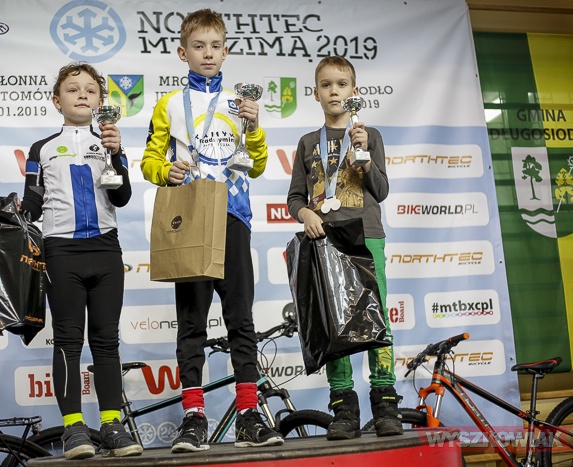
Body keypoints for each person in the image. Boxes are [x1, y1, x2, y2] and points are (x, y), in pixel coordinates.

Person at [140, 8, 284, 453]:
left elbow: (257, 166)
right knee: (191, 324)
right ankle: (194, 418)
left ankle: (248, 415)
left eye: (215, 46)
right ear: (182, 52)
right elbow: (149, 162)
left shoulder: (241, 103)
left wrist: (254, 127)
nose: (207, 53)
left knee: (242, 320)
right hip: (190, 218)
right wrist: (166, 171)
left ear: (226, 51)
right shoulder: (169, 104)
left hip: (233, 217)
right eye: (198, 46)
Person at [20, 62, 142, 460]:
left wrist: (116, 153)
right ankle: (74, 428)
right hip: (61, 254)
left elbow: (122, 197)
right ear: (57, 101)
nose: (82, 95)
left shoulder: (109, 142)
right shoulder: (40, 149)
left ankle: (111, 424)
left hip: (106, 251)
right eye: (73, 89)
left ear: (101, 102)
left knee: (106, 342)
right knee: (68, 342)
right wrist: (13, 216)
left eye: (91, 90)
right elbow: (33, 202)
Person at [286, 55, 403, 440]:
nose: (334, 91)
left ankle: (385, 403)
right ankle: (343, 408)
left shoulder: (369, 135)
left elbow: (381, 191)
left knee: (376, 317)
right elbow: (294, 198)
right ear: (316, 93)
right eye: (326, 85)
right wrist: (305, 213)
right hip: (326, 241)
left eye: (341, 84)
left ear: (355, 91)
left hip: (366, 236)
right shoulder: (307, 143)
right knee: (334, 322)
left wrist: (364, 157)